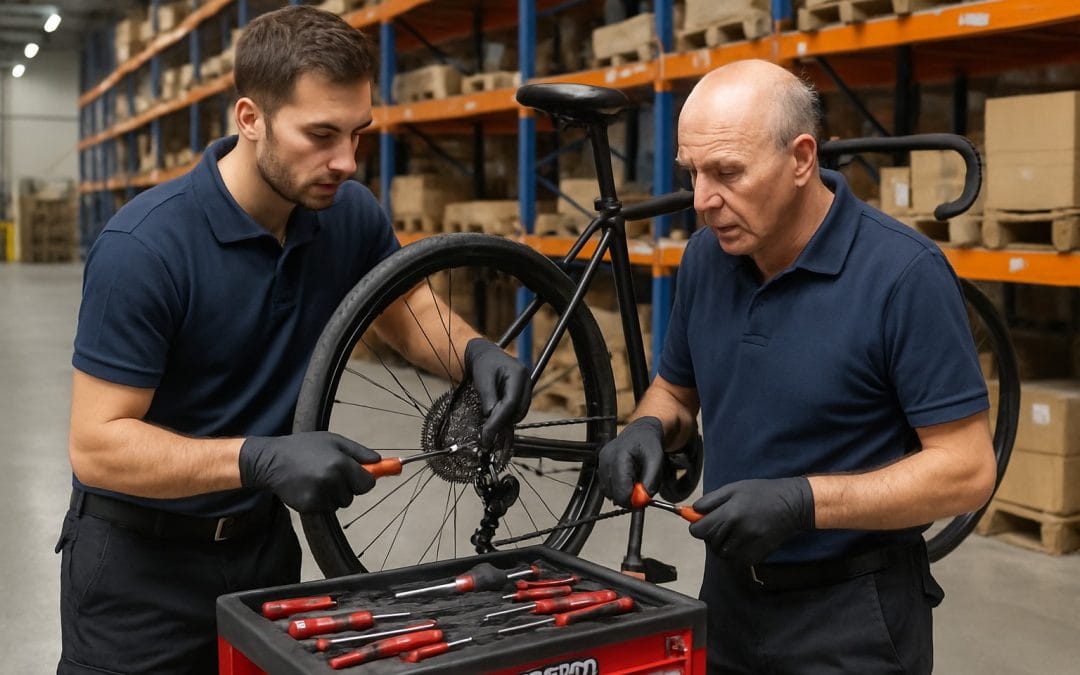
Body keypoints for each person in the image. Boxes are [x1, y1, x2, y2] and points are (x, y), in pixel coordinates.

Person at [57, 6, 530, 673]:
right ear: (250, 119)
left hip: (263, 557)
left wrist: (477, 353)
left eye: (356, 132)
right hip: (141, 576)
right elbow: (98, 444)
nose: (345, 160)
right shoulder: (145, 249)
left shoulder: (345, 213)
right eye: (320, 134)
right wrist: (259, 459)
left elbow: (405, 308)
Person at [598, 59, 996, 674]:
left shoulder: (903, 275)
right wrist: (647, 428)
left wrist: (803, 503)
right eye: (693, 173)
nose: (703, 201)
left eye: (728, 172)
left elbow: (966, 471)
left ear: (802, 159)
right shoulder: (707, 256)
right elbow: (674, 393)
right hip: (727, 600)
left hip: (852, 617)